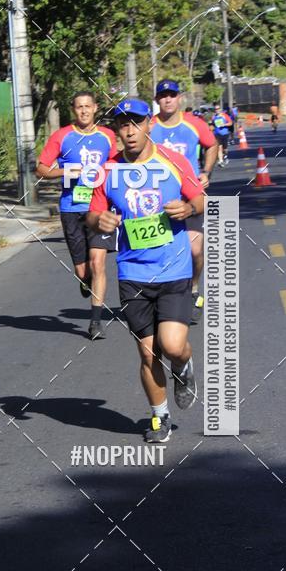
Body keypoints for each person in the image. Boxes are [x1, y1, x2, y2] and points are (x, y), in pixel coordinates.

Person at [86, 99, 205, 444]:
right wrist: (100, 219)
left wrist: (186, 207)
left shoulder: (173, 161)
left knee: (172, 345)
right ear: (117, 131)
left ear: (149, 124)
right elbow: (93, 214)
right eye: (123, 125)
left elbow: (199, 198)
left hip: (173, 268)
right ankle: (160, 418)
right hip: (132, 273)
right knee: (147, 352)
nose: (129, 131)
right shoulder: (107, 172)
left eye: (135, 123)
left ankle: (184, 367)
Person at [36, 91, 117, 340]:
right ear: (73, 110)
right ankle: (85, 281)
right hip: (72, 207)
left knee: (98, 263)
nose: (83, 111)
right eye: (79, 107)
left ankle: (95, 322)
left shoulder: (107, 135)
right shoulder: (62, 136)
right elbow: (41, 167)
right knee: (83, 271)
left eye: (87, 106)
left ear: (95, 108)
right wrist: (64, 171)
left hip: (99, 206)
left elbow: (115, 163)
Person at [149, 80, 218, 325]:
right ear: (157, 100)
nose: (168, 100)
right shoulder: (149, 126)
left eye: (172, 95)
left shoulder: (194, 124)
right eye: (163, 96)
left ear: (180, 98)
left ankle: (194, 288)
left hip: (190, 194)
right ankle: (163, 297)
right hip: (156, 197)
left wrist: (206, 172)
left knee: (195, 249)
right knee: (161, 248)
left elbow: (211, 145)